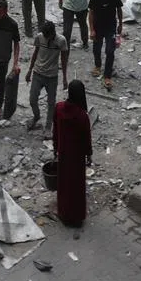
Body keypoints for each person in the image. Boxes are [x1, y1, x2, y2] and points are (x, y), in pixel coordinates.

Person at [52, 80, 92, 227]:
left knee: (64, 184)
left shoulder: (59, 108)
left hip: (63, 154)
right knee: (76, 186)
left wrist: (55, 147)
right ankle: (76, 216)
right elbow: (86, 138)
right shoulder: (82, 116)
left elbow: (55, 130)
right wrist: (89, 154)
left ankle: (64, 213)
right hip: (77, 157)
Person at [26, 20, 69, 132]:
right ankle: (36, 116)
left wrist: (65, 78)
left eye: (48, 36)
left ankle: (48, 127)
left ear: (53, 32)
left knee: (51, 103)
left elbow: (64, 60)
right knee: (32, 99)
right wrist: (29, 70)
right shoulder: (40, 37)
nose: (47, 38)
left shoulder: (61, 41)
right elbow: (35, 53)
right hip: (38, 73)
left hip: (52, 76)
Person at [88, 0, 124, 90]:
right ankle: (98, 66)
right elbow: (91, 13)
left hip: (110, 27)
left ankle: (107, 76)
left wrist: (120, 24)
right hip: (98, 27)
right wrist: (92, 29)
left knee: (110, 50)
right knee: (96, 48)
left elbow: (119, 10)